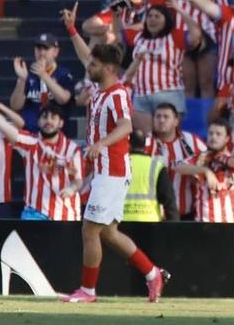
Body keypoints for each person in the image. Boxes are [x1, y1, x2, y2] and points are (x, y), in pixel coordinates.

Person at [59, 42, 168, 303]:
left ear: (107, 68)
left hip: (113, 170)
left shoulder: (117, 95)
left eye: (94, 65)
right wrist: (72, 31)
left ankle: (88, 291)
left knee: (90, 230)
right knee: (108, 232)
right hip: (104, 171)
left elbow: (126, 126)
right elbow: (87, 54)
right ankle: (153, 273)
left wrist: (101, 143)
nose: (89, 67)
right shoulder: (100, 89)